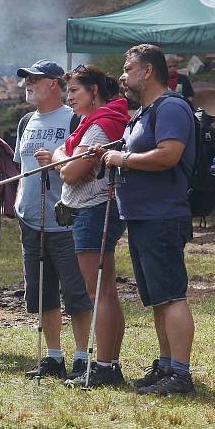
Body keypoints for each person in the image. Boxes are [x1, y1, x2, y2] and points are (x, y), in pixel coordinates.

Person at [98, 44, 197, 395]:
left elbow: (169, 155)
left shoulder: (170, 107)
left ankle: (181, 375)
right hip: (142, 216)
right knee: (158, 297)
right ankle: (166, 366)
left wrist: (122, 159)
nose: (123, 76)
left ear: (148, 71)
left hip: (163, 215)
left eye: (128, 69)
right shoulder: (144, 112)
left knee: (171, 295)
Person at [14, 59, 93, 381]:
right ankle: (53, 356)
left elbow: (86, 168)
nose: (27, 85)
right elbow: (20, 169)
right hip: (31, 219)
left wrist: (59, 165)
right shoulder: (25, 122)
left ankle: (81, 357)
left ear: (53, 83)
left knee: (76, 293)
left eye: (34, 79)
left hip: (66, 218)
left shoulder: (74, 118)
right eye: (26, 79)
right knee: (42, 292)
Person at [53, 65, 129, 387]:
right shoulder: (89, 124)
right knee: (104, 290)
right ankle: (108, 365)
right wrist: (64, 157)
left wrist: (62, 160)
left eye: (74, 91)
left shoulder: (100, 127)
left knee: (99, 291)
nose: (68, 97)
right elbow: (66, 160)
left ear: (93, 91)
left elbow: (69, 173)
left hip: (93, 211)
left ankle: (104, 366)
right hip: (90, 211)